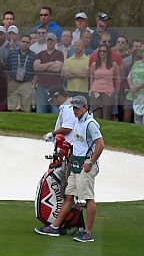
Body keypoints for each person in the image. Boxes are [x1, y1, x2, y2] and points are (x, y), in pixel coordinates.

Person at [35, 96, 104, 242]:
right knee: (69, 195)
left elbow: (100, 145)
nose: (75, 110)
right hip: (77, 164)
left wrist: (90, 162)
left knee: (88, 198)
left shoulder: (90, 124)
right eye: (73, 108)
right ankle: (55, 227)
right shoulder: (78, 122)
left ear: (85, 107)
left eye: (78, 108)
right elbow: (78, 145)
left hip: (86, 165)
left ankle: (88, 232)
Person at [33, 34, 65, 114]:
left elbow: (57, 68)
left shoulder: (59, 54)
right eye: (49, 40)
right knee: (40, 113)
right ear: (46, 41)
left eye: (52, 40)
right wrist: (50, 63)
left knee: (55, 113)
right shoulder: (40, 54)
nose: (50, 42)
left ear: (56, 42)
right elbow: (36, 68)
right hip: (41, 87)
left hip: (55, 89)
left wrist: (42, 67)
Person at [88, 45, 120, 121]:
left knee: (107, 116)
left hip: (108, 91)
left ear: (108, 53)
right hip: (95, 91)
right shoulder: (94, 64)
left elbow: (118, 79)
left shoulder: (113, 64)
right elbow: (92, 78)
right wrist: (90, 90)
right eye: (100, 51)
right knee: (96, 115)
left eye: (104, 51)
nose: (102, 53)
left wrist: (116, 92)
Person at [5, 33, 36, 112]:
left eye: (27, 42)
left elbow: (35, 72)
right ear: (19, 42)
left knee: (26, 109)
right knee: (12, 108)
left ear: (30, 44)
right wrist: (8, 83)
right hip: (13, 82)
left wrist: (33, 84)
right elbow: (8, 68)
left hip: (26, 83)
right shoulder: (12, 54)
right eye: (23, 41)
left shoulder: (33, 55)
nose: (25, 44)